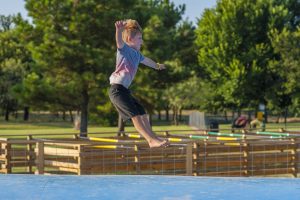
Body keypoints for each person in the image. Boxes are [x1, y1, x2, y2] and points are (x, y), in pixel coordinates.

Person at [109, 19, 169, 148]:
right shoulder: (124, 50)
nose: (142, 41)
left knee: (142, 112)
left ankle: (153, 137)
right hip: (116, 91)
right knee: (135, 115)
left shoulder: (138, 55)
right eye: (140, 38)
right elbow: (119, 41)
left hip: (124, 91)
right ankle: (150, 140)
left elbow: (148, 61)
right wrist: (118, 30)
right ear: (130, 39)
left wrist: (157, 66)